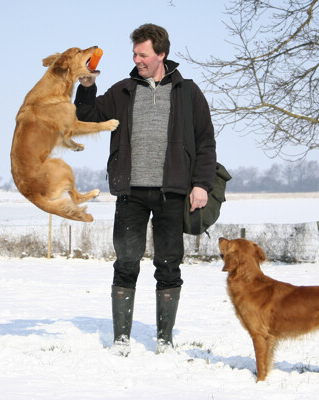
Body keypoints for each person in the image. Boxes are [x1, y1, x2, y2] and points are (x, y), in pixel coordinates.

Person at [75, 23, 216, 355]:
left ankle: (165, 341)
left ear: (161, 54)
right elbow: (88, 115)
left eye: (143, 54)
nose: (137, 59)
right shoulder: (124, 90)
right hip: (131, 193)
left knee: (169, 263)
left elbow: (205, 143)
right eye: (135, 53)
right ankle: (121, 339)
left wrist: (201, 185)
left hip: (173, 193)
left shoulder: (188, 92)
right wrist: (87, 85)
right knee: (126, 260)